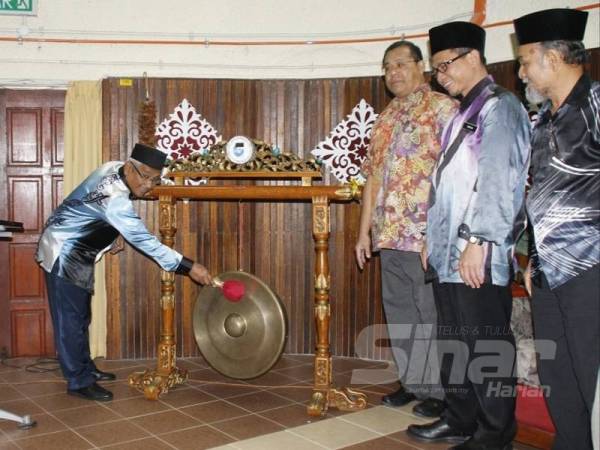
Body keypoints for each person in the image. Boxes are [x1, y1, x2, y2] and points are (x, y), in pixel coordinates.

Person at [406, 22, 530, 449]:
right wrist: (430, 238)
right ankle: (460, 419)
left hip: (479, 251)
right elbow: (447, 184)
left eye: (445, 67)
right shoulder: (460, 114)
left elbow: (498, 180)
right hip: (448, 253)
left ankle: (495, 435)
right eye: (436, 70)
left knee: (487, 348)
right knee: (455, 343)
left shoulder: (501, 108)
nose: (441, 77)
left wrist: (480, 241)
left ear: (473, 57)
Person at [36, 143, 212, 402]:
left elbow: (87, 204)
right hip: (63, 251)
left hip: (78, 247)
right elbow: (146, 242)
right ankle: (78, 381)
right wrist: (189, 266)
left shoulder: (113, 167)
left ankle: (86, 368)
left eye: (155, 179)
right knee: (70, 321)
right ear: (130, 168)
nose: (150, 186)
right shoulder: (116, 201)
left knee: (81, 315)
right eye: (147, 178)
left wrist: (111, 234)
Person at [355, 40, 457, 418]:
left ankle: (439, 389)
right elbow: (372, 179)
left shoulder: (444, 110)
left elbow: (456, 177)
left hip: (424, 237)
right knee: (399, 311)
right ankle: (413, 382)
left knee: (429, 311)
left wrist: (439, 232)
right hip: (388, 234)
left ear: (421, 66)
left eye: (400, 64)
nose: (393, 72)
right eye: (387, 67)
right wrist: (363, 232)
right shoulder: (385, 119)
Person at [514, 8, 599, 450]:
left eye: (526, 59)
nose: (521, 70)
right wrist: (534, 259)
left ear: (553, 57)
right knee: (558, 375)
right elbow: (540, 197)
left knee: (591, 375)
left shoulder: (598, 105)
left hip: (591, 269)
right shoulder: (543, 120)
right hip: (547, 272)